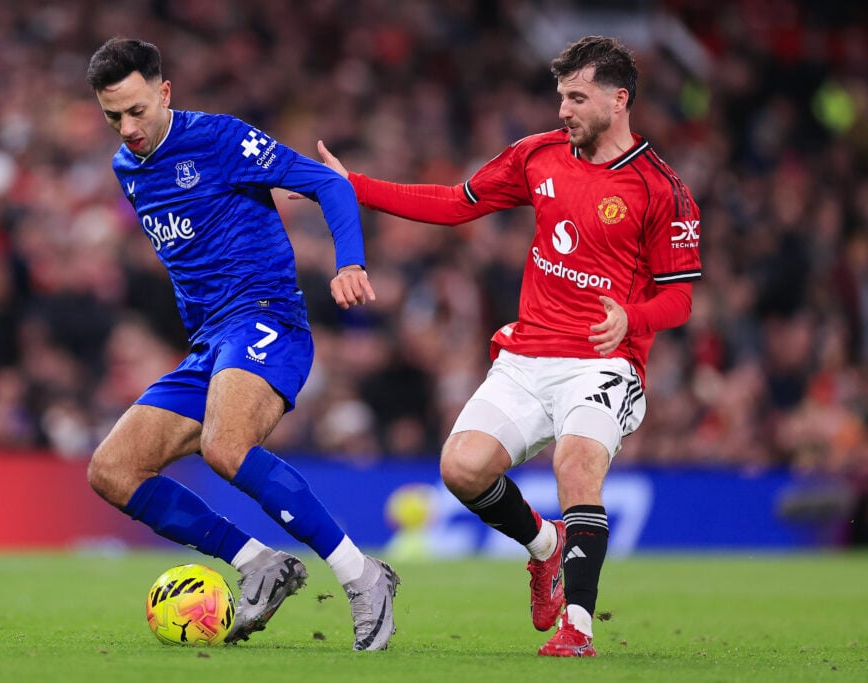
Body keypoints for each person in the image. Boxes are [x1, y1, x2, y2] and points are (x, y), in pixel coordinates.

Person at [307, 35, 701, 656]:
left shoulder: (660, 188)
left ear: (619, 100)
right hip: (526, 357)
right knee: (460, 468)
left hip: (603, 363)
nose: (564, 110)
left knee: (575, 466)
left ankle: (578, 627)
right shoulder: (537, 155)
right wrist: (354, 186)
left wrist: (633, 317)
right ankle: (544, 549)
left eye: (578, 97)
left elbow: (680, 297)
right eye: (560, 97)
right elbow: (455, 205)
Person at [84, 37, 399, 651]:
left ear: (164, 92)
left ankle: (364, 578)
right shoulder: (129, 172)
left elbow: (328, 186)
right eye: (112, 117)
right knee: (112, 470)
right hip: (209, 344)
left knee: (225, 445)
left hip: (266, 318)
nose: (127, 129)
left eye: (136, 111)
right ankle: (258, 563)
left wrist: (349, 263)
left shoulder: (222, 139)